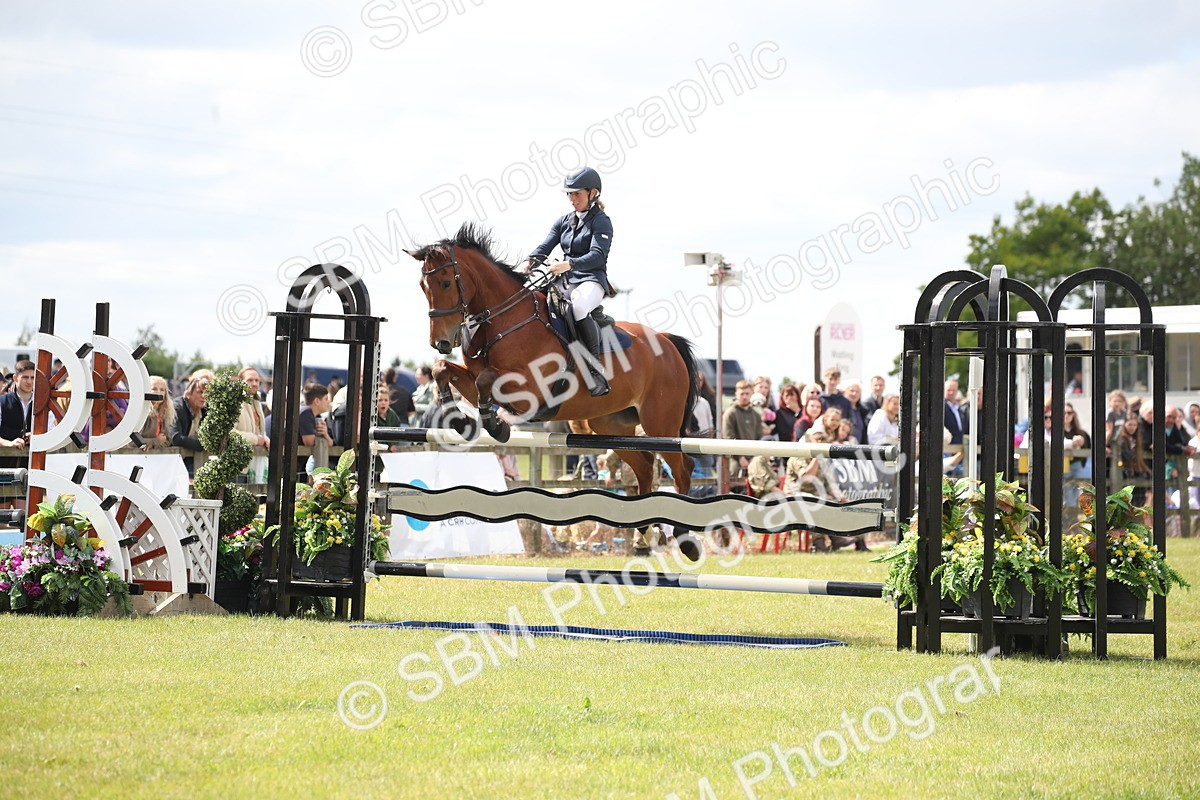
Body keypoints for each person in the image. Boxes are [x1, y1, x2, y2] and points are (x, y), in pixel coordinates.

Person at [523, 166, 614, 396]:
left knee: (579, 306)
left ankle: (595, 372)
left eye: (577, 194)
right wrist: (529, 262)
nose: (572, 199)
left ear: (593, 193)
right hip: (565, 280)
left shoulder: (601, 222)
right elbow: (546, 246)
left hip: (591, 280)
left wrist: (569, 264)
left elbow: (598, 255)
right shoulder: (564, 221)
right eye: (569, 194)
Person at [721, 380, 762, 480]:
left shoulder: (756, 415)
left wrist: (754, 458)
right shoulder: (730, 413)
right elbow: (728, 438)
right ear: (736, 394)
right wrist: (740, 457)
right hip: (735, 460)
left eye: (747, 394)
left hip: (753, 460)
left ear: (752, 394)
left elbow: (759, 437)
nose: (744, 397)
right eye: (742, 394)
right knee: (734, 485)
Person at [170, 376, 208, 476]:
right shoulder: (177, 408)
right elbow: (176, 438)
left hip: (193, 459)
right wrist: (203, 445)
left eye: (207, 393)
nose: (204, 396)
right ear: (188, 394)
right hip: (173, 461)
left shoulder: (206, 410)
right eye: (199, 392)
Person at [0, 360, 35, 461]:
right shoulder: (2, 402)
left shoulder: (42, 404)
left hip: (33, 465)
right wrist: (9, 443)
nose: (29, 381)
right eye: (25, 377)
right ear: (15, 378)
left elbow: (50, 431)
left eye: (33, 377)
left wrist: (35, 437)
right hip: (5, 465)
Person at [233, 367, 270, 451]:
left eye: (257, 380)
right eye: (250, 380)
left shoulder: (256, 401)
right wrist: (255, 439)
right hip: (238, 455)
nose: (254, 384)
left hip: (257, 455)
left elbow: (258, 431)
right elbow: (229, 433)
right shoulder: (234, 403)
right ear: (240, 382)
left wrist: (265, 438)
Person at [138, 375, 176, 451]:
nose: (158, 392)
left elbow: (167, 440)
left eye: (162, 390)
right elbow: (132, 441)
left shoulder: (165, 413)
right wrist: (155, 441)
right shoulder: (141, 413)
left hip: (156, 456)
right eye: (154, 389)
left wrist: (154, 445)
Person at [842, 380, 868, 444]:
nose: (854, 394)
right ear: (845, 391)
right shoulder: (841, 408)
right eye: (852, 391)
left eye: (857, 392)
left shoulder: (862, 410)